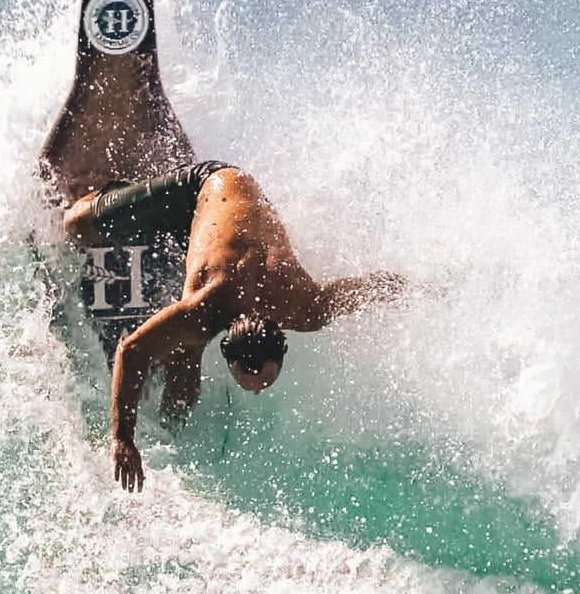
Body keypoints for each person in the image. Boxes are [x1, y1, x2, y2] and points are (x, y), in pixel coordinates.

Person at [63, 161, 405, 492]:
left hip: (224, 229)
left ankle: (170, 436)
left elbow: (367, 288)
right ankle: (103, 193)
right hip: (205, 188)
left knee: (183, 374)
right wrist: (122, 438)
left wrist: (415, 291)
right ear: (225, 345)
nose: (256, 391)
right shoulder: (204, 307)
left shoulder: (306, 307)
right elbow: (133, 349)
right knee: (76, 225)